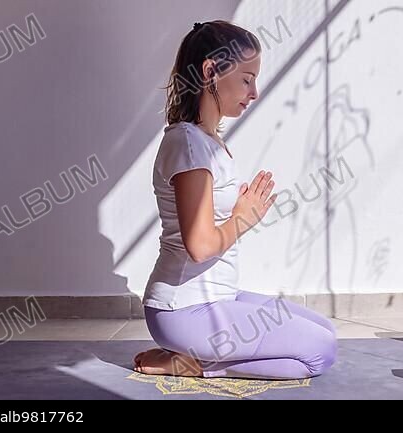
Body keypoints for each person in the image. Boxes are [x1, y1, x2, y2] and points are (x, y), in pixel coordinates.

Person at [133, 21, 337, 379]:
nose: (254, 92)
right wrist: (243, 217)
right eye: (246, 79)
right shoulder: (188, 144)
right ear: (211, 71)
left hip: (214, 298)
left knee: (325, 331)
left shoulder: (207, 141)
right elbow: (199, 246)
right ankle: (194, 364)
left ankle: (195, 356)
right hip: (184, 309)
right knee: (320, 352)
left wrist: (243, 214)